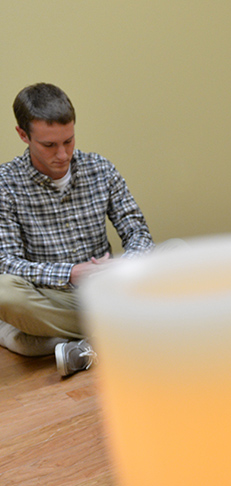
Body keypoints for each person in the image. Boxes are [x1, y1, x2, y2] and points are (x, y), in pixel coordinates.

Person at [0, 82, 154, 376]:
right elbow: (5, 262)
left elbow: (138, 233)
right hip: (52, 295)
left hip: (110, 288)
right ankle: (132, 328)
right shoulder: (5, 184)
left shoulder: (100, 168)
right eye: (49, 145)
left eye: (68, 141)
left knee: (176, 252)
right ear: (23, 135)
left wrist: (124, 266)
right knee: (3, 293)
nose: (63, 154)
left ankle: (77, 346)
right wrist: (71, 273)